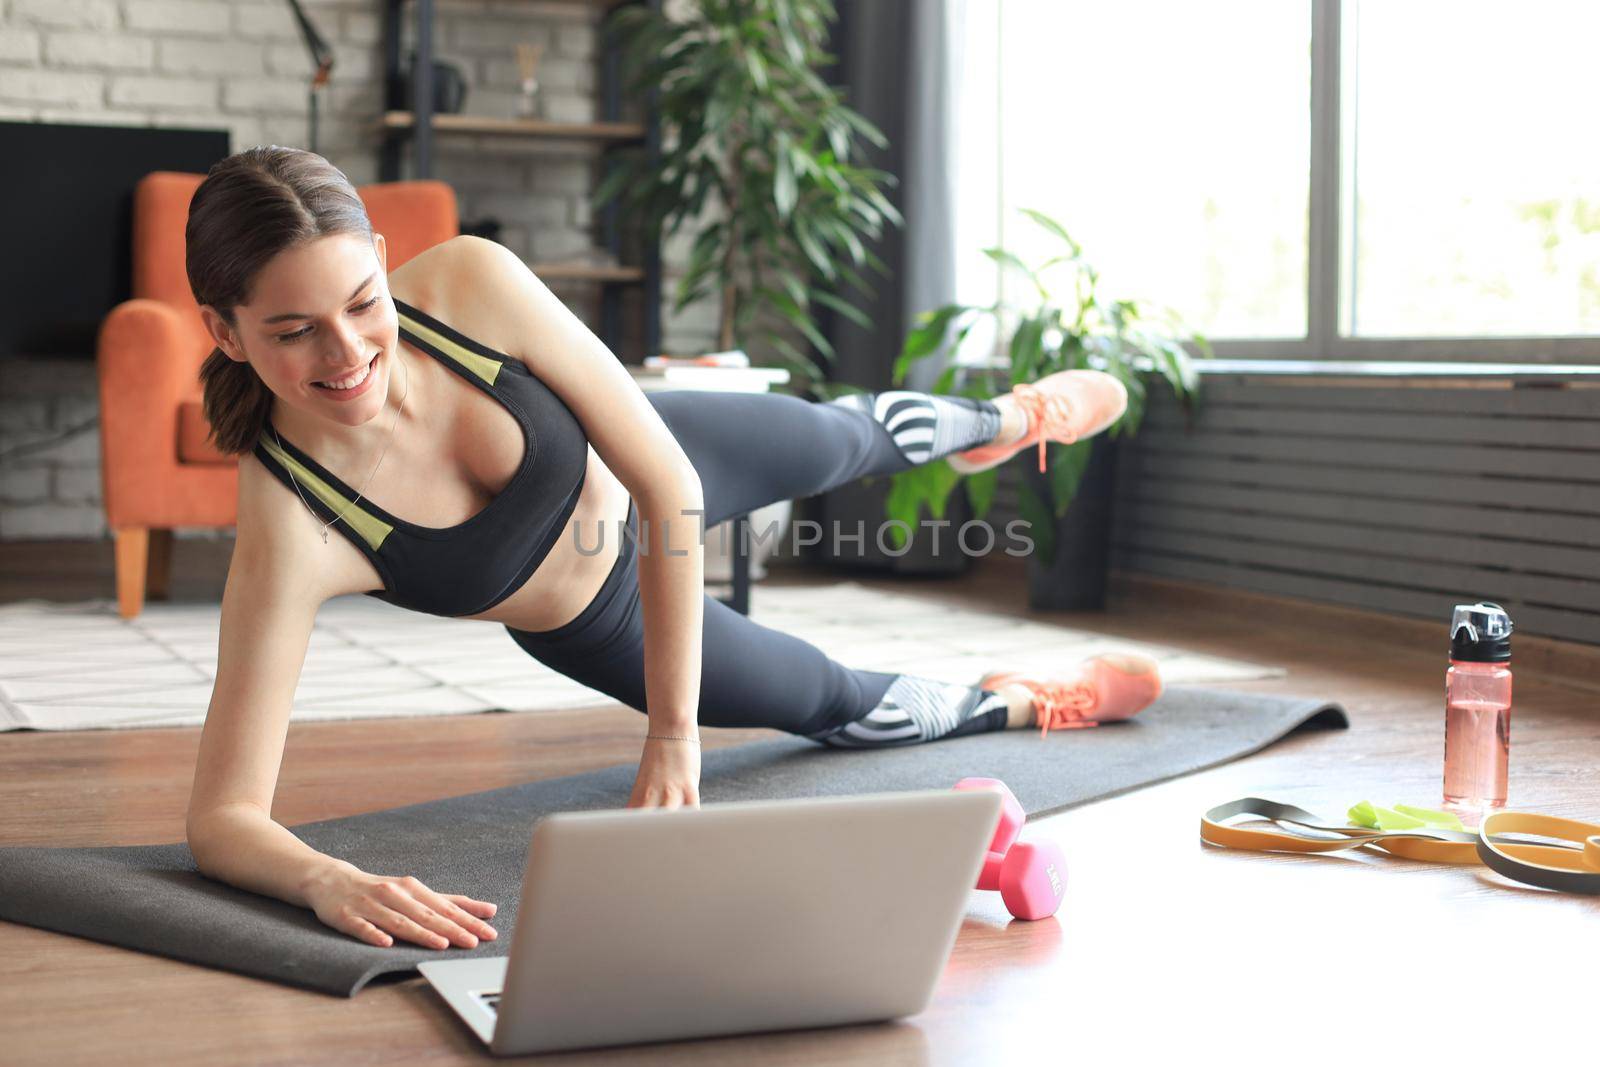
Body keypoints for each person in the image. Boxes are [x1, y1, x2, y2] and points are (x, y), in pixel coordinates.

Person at [183, 146, 1162, 953]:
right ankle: (1029, 697)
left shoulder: (465, 284)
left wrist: (671, 728)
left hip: (654, 459)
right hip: (596, 619)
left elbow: (668, 487)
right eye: (293, 332)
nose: (347, 353)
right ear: (224, 331)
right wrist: (326, 878)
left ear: (382, 257)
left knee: (835, 437)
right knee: (830, 703)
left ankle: (1006, 413)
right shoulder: (292, 517)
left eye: (361, 302)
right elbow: (223, 814)